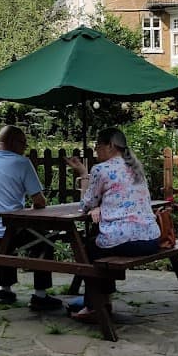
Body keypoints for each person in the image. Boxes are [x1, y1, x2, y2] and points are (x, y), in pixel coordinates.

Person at [66, 127, 159, 323]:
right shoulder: (136, 167)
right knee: (99, 246)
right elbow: (119, 197)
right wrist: (98, 207)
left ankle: (94, 306)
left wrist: (83, 174)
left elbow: (85, 205)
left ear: (110, 146)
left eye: (97, 146)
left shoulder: (101, 169)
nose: (95, 150)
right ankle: (101, 301)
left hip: (126, 240)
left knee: (88, 249)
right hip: (151, 238)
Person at [0, 125, 62, 311]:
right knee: (46, 238)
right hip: (7, 233)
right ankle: (40, 295)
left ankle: (5, 289)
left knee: (9, 235)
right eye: (24, 143)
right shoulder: (22, 163)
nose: (25, 148)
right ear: (13, 142)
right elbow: (39, 201)